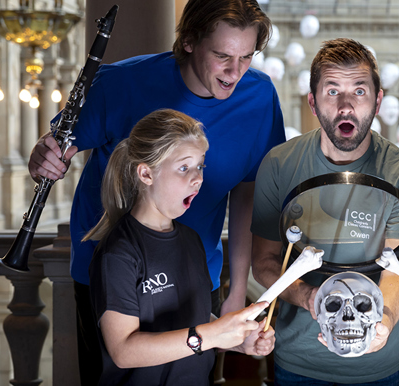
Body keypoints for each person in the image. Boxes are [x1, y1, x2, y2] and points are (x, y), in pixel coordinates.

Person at [27, 0, 285, 384]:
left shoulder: (259, 97)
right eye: (221, 56)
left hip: (197, 272)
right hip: (112, 272)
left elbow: (248, 192)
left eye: (246, 57)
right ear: (188, 42)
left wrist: (236, 290)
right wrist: (43, 158)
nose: (235, 72)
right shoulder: (119, 83)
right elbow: (55, 150)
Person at [251, 38, 399, 385]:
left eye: (359, 91)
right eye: (332, 92)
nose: (346, 106)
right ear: (313, 103)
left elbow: (397, 269)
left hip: (378, 367)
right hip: (297, 361)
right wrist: (309, 297)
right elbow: (264, 262)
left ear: (378, 101)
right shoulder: (278, 165)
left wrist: (385, 322)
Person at [87, 109, 275, 385]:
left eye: (200, 166)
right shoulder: (119, 253)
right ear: (146, 173)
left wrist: (236, 340)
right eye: (184, 168)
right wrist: (211, 335)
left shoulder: (191, 240)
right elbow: (124, 351)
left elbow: (195, 320)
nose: (198, 178)